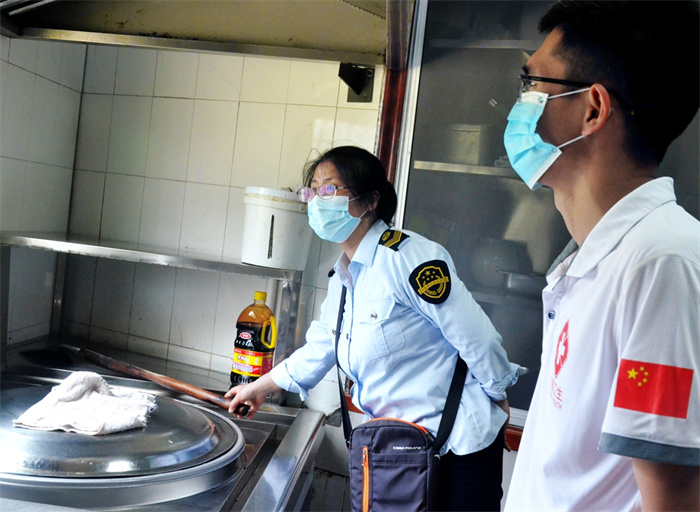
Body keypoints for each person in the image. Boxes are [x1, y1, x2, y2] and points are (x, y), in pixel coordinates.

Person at [226, 145, 520, 511]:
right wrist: (258, 388)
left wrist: (498, 395)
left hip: (455, 450)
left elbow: (476, 336)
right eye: (311, 191)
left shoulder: (408, 258)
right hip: (399, 449)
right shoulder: (344, 276)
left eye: (329, 189)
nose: (317, 200)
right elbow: (321, 347)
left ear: (369, 201)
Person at [502, 2, 700, 511]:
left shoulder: (661, 265)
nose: (518, 103)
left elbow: (672, 500)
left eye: (532, 83)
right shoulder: (600, 256)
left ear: (592, 109)